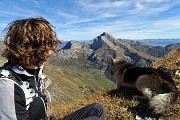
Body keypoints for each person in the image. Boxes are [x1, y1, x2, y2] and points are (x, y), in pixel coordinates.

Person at [0, 18, 105, 120]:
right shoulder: (7, 86)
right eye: (49, 43)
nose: (52, 50)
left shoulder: (34, 70)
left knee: (97, 109)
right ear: (34, 48)